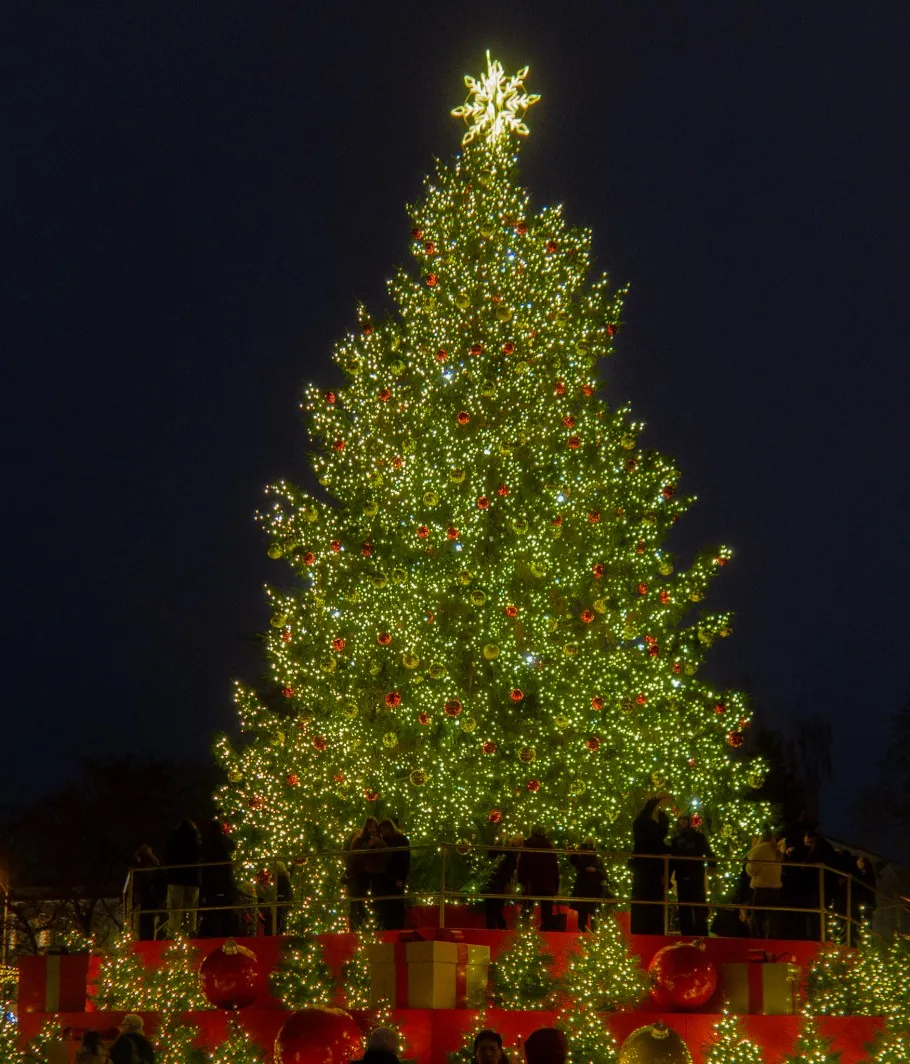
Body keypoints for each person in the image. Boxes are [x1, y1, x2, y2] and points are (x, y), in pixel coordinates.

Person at [629, 794, 670, 933]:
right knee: (652, 904)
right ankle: (653, 930)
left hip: (643, 868)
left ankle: (641, 930)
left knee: (643, 902)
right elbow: (660, 836)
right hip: (650, 869)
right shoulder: (652, 830)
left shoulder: (642, 826)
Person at [670, 814, 714, 936]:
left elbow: (707, 851)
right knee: (686, 906)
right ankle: (688, 931)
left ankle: (700, 931)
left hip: (694, 874)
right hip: (685, 874)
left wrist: (712, 864)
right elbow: (673, 858)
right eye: (681, 820)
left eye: (685, 820)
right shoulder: (677, 839)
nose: (683, 822)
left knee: (697, 904)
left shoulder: (697, 837)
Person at [163, 818, 202, 938]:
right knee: (191, 907)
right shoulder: (197, 842)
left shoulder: (173, 842)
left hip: (176, 878)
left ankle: (174, 933)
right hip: (193, 879)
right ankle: (190, 931)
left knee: (175, 908)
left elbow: (167, 857)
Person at [517, 826, 560, 931]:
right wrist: (556, 885)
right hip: (547, 882)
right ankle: (546, 931)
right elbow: (555, 868)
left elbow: (521, 865)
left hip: (531, 881)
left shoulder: (527, 845)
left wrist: (521, 880)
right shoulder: (550, 847)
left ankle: (523, 930)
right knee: (546, 910)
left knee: (527, 908)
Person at [199, 817, 237, 938]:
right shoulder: (224, 840)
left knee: (212, 911)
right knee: (227, 910)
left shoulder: (206, 842)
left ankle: (213, 934)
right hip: (225, 880)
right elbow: (233, 846)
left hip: (211, 880)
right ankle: (229, 934)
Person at [745, 828, 783, 938]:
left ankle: (758, 938)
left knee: (757, 916)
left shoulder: (759, 850)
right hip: (775, 888)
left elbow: (751, 870)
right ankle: (772, 938)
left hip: (762, 887)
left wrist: (748, 865)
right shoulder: (776, 849)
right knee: (772, 917)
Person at [376, 819, 410, 930]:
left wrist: (401, 877)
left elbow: (404, 861)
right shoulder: (387, 841)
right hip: (388, 877)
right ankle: (391, 927)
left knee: (395, 904)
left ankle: (396, 927)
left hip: (394, 876)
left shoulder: (399, 840)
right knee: (389, 904)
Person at [569, 839, 609, 932]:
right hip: (587, 889)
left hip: (592, 890)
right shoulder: (583, 857)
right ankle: (586, 933)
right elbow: (574, 861)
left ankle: (587, 933)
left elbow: (603, 874)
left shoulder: (595, 859)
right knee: (585, 915)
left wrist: (595, 870)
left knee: (590, 915)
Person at [483, 837, 521, 930]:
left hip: (496, 884)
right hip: (497, 885)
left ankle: (496, 930)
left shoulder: (507, 855)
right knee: (494, 912)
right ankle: (499, 930)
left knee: (493, 912)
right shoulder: (509, 855)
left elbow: (507, 872)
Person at [131, 845, 163, 942]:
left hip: (147, 896)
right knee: (150, 921)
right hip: (153, 896)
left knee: (145, 921)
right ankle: (150, 939)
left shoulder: (145, 864)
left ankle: (146, 940)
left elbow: (145, 879)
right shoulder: (155, 863)